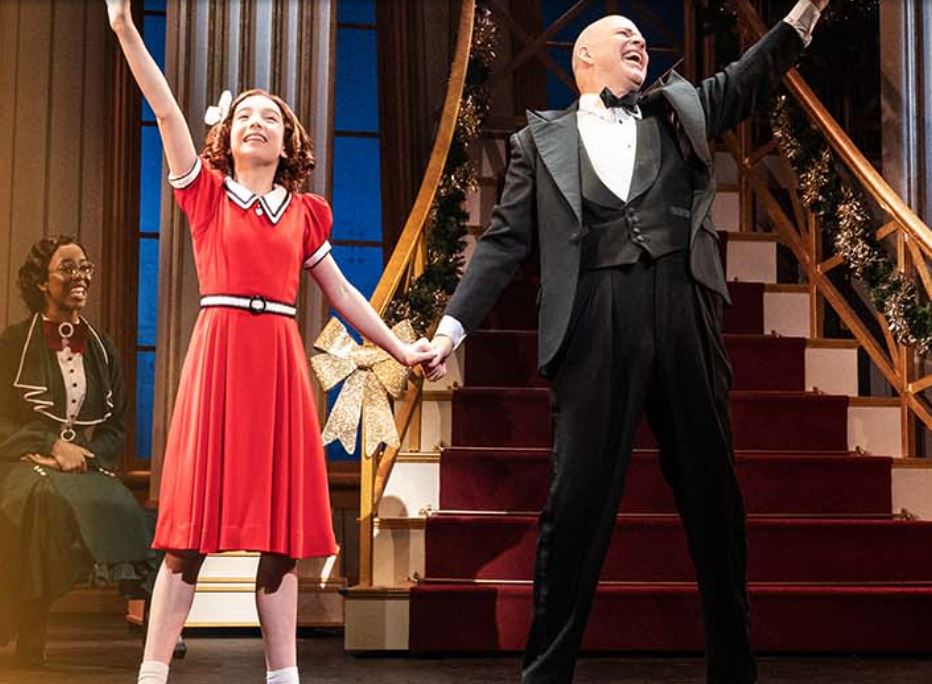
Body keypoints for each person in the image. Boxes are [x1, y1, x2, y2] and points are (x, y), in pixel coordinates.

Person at [425, 2, 829, 682]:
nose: (638, 40)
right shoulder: (538, 142)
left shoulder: (677, 111)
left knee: (713, 493)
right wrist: (450, 330)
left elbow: (750, 76)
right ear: (584, 57)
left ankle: (734, 669)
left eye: (641, 35)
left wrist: (806, 12)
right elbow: (502, 244)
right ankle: (546, 674)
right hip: (593, 316)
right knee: (576, 503)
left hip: (682, 305)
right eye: (623, 35)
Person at [105, 2, 437, 683]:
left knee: (281, 541)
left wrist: (402, 350)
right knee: (187, 537)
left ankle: (284, 676)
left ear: (288, 144)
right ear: (226, 137)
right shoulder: (206, 195)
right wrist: (125, 29)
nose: (257, 122)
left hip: (279, 363)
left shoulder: (305, 214)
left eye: (271, 118)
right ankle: (152, 674)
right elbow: (166, 112)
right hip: (221, 356)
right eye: (245, 116)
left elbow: (344, 295)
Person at [0, 236, 156, 668]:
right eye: (67, 269)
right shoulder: (13, 343)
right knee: (40, 506)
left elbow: (115, 427)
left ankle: (157, 639)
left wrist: (83, 455)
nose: (80, 277)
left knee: (126, 509)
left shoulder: (102, 347)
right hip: (22, 461)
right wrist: (50, 445)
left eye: (84, 268)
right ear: (41, 282)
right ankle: (30, 633)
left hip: (82, 464)